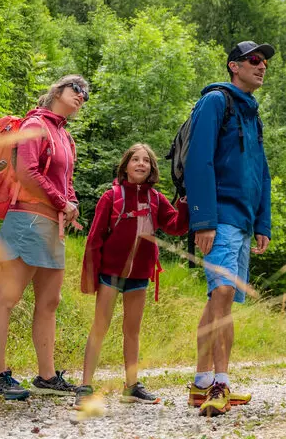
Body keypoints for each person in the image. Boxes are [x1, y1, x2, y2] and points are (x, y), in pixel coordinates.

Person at [0, 75, 88, 401]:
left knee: (50, 302)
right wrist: (61, 201)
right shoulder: (35, 124)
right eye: (77, 89)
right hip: (26, 219)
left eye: (86, 95)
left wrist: (71, 204)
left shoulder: (64, 136)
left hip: (51, 226)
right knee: (7, 297)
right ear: (58, 90)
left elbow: (65, 180)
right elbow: (28, 172)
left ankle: (46, 376)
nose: (82, 96)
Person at [185, 41, 274, 417]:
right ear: (233, 66)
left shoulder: (252, 114)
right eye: (255, 60)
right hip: (219, 217)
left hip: (242, 221)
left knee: (221, 301)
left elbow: (261, 172)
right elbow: (198, 161)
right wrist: (203, 219)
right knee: (221, 292)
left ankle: (202, 383)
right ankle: (219, 383)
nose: (262, 66)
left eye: (265, 62)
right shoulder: (215, 103)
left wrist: (262, 222)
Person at [75, 143, 188, 405]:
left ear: (152, 168)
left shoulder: (156, 199)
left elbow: (174, 227)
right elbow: (94, 240)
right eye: (135, 159)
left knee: (132, 330)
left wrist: (184, 203)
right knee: (100, 327)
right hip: (110, 274)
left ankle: (132, 385)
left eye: (146, 161)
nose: (140, 164)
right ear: (125, 165)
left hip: (139, 275)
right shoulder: (111, 197)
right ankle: (85, 385)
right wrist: (90, 278)